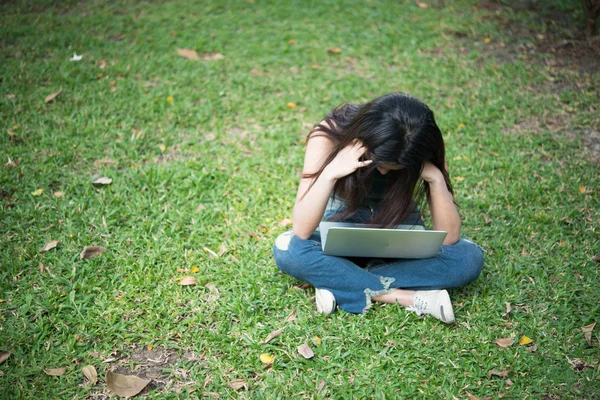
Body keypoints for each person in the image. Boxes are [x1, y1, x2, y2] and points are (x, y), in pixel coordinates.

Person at [273, 93, 483, 324]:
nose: (383, 172)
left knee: (468, 258)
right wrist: (332, 171)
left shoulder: (421, 145)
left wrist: (435, 178)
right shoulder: (330, 134)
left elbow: (449, 238)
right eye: (378, 161)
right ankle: (406, 297)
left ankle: (338, 280)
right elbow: (302, 230)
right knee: (288, 248)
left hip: (398, 231)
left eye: (396, 167)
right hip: (338, 227)